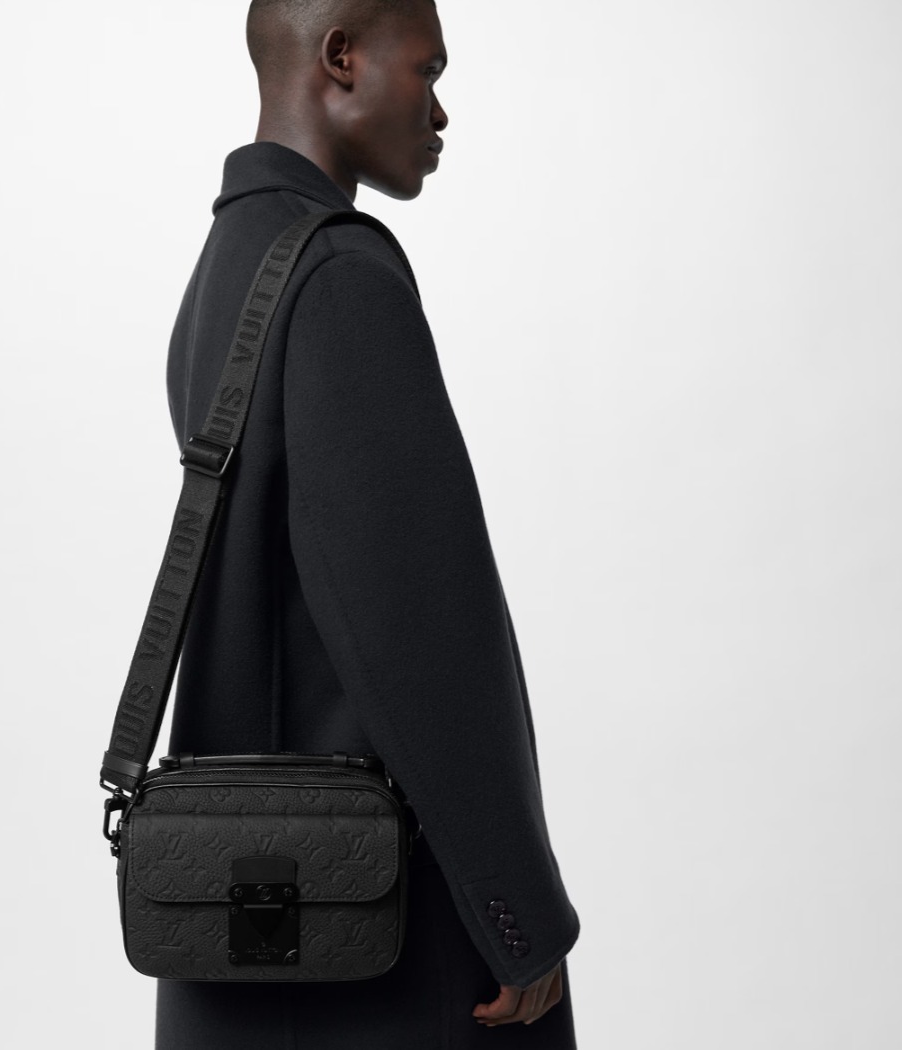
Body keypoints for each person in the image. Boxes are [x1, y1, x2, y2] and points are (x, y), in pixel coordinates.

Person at [155, 1, 580, 1046]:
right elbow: (416, 627)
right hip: (374, 927)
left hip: (244, 909)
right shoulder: (339, 278)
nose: (439, 111)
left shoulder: (231, 261)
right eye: (427, 70)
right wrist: (515, 909)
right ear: (340, 56)